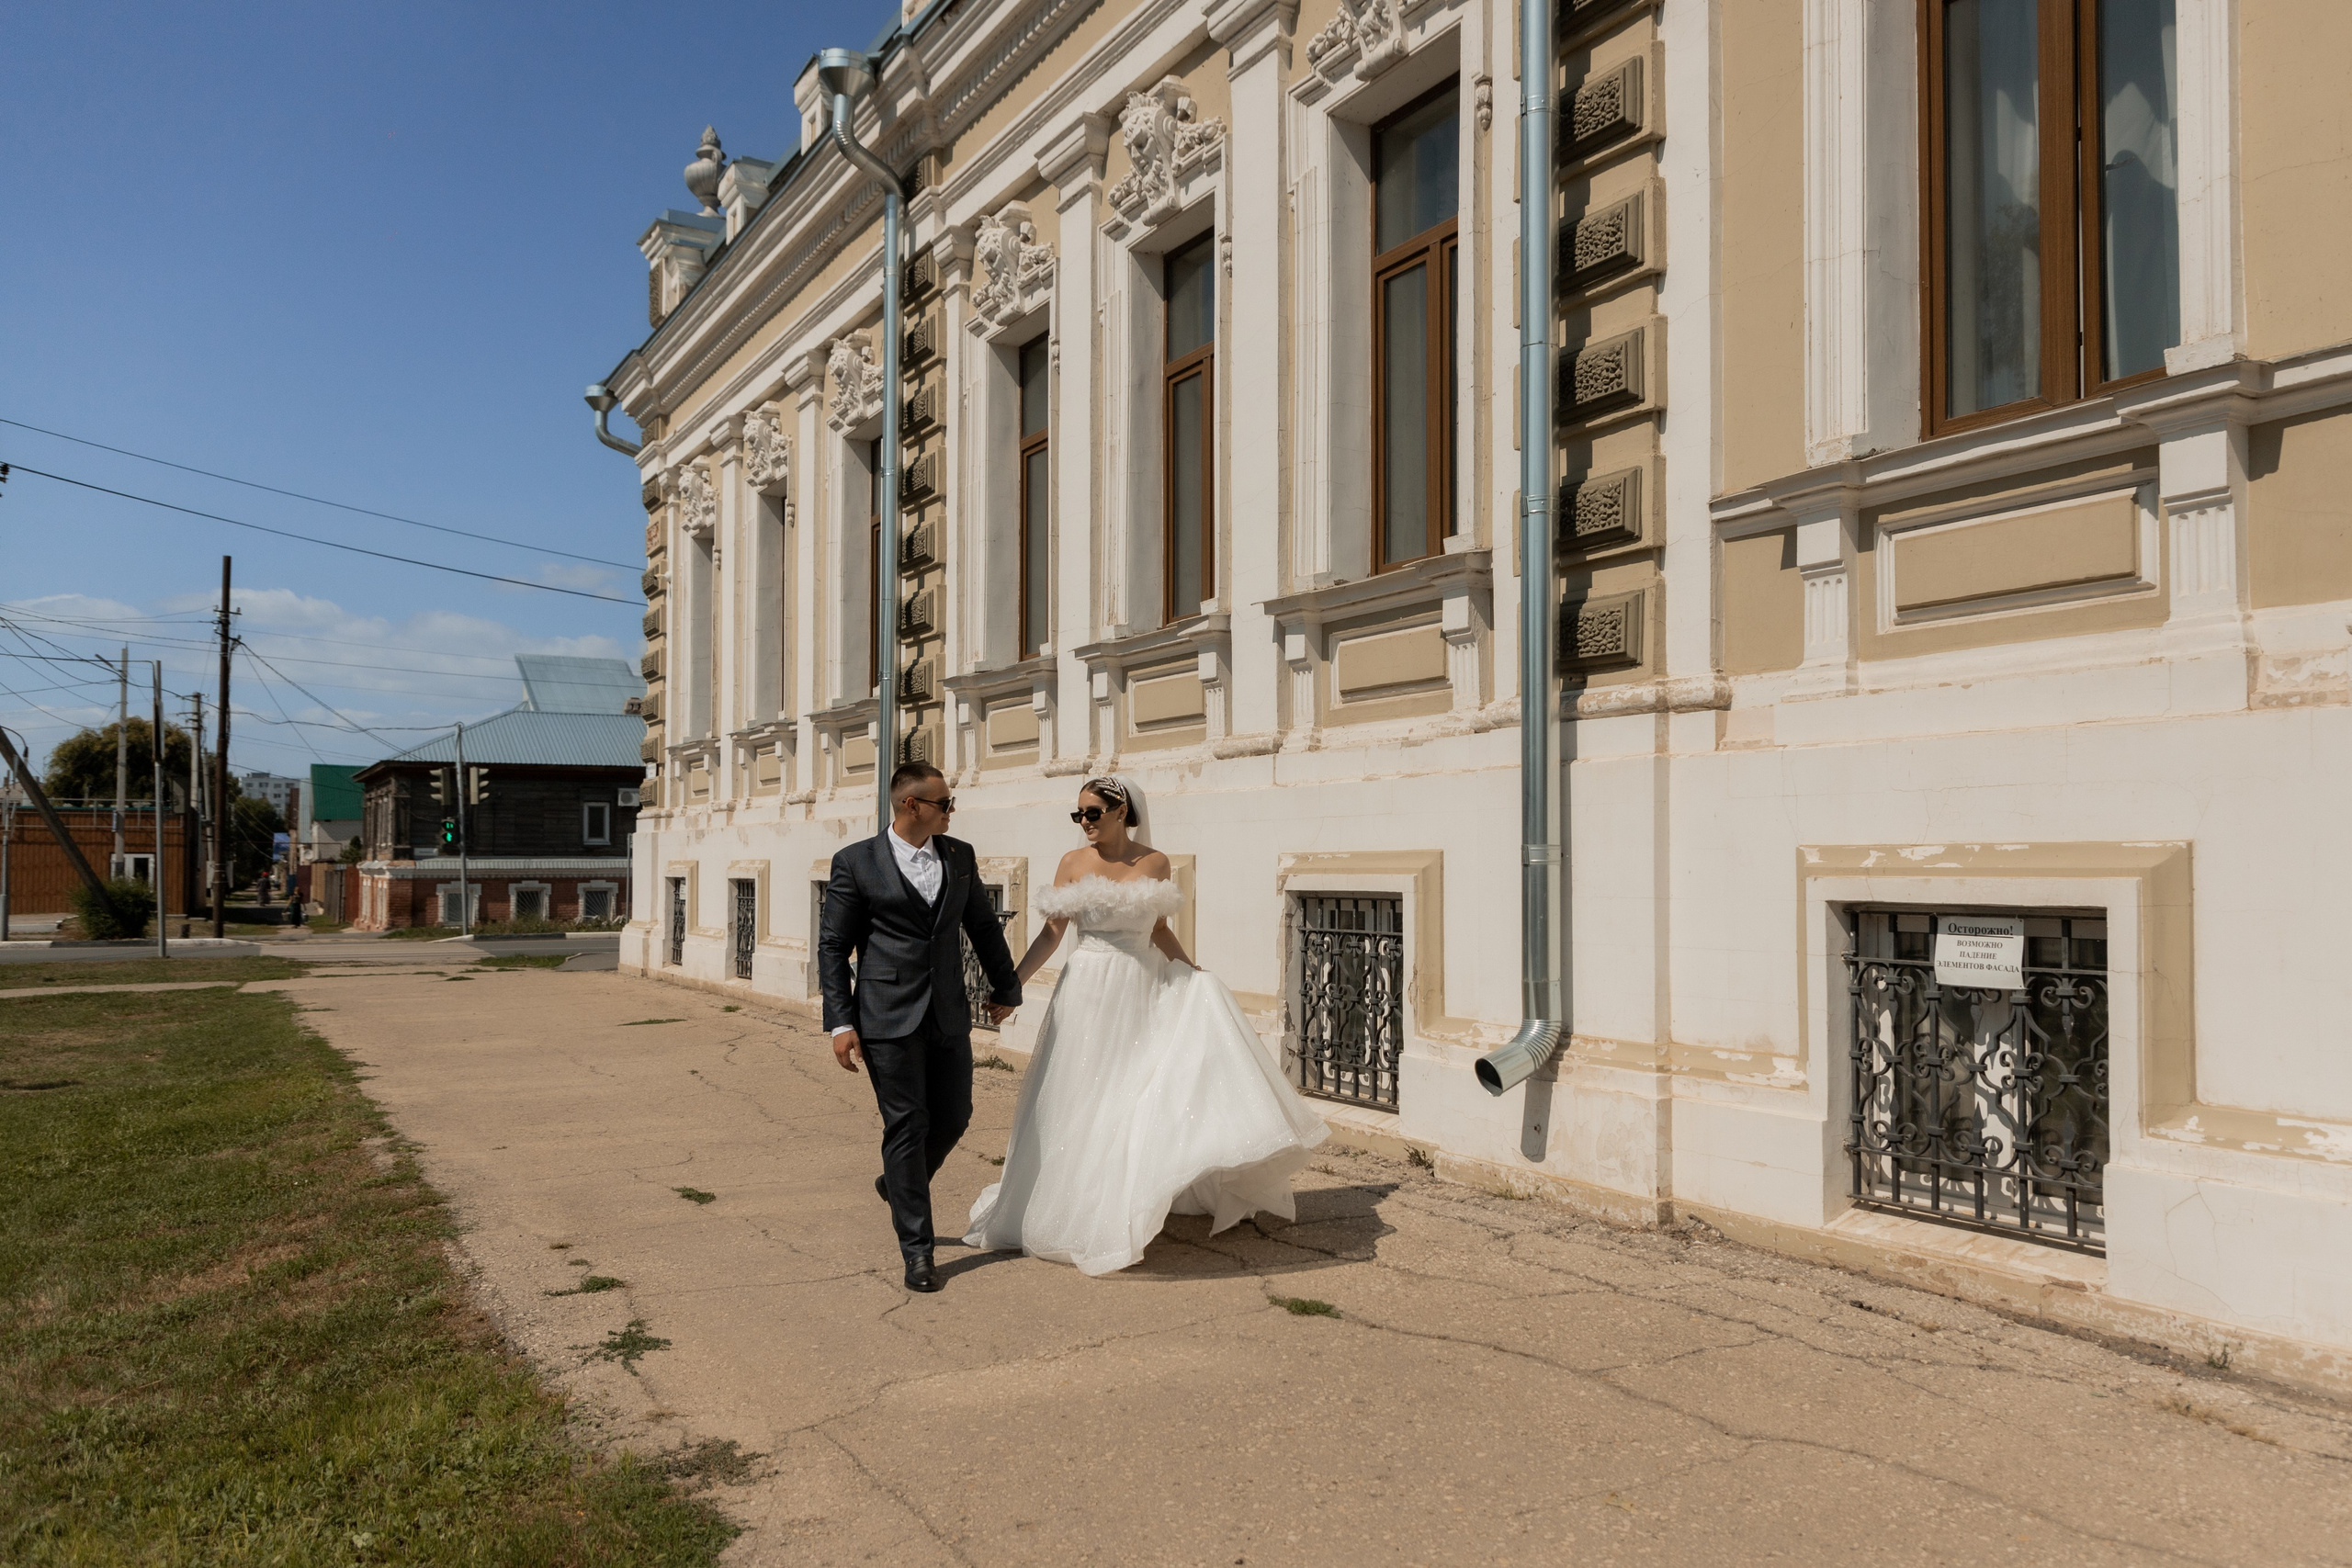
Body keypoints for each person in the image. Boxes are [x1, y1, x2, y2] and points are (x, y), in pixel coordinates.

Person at [967, 775, 1329, 1275]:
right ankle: (1070, 1203)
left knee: (1130, 1093)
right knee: (1077, 1094)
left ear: (1122, 811)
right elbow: (1052, 935)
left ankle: (1120, 1198)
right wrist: (1013, 986)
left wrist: (1192, 972)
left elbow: (1159, 929)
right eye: (1078, 815)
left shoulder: (1155, 862)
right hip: (1086, 991)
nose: (1084, 824)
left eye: (1092, 813)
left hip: (1138, 988)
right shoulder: (1072, 864)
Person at [818, 761, 1023, 1293]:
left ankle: (897, 1183)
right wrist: (841, 1022)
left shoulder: (959, 856)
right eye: (943, 803)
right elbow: (835, 948)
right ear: (912, 805)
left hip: (948, 1012)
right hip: (886, 1014)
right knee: (906, 1127)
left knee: (954, 1117)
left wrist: (1006, 988)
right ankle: (918, 1251)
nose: (951, 811)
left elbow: (980, 924)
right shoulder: (856, 862)